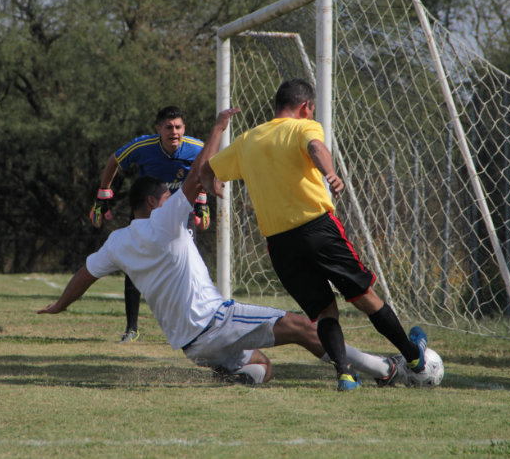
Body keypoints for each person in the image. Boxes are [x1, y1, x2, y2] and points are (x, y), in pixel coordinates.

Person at [41, 109, 403, 389]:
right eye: (169, 195)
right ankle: (384, 369)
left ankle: (232, 376)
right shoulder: (165, 219)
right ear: (154, 202)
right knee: (304, 327)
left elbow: (84, 275)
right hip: (215, 322)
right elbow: (198, 173)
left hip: (192, 348)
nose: (175, 198)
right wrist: (217, 128)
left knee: (261, 367)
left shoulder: (117, 241)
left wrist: (61, 305)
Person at [201, 78, 429, 390]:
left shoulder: (247, 140)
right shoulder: (302, 128)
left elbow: (208, 168)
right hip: (317, 229)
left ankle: (345, 375)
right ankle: (414, 357)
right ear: (306, 107)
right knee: (364, 297)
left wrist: (210, 187)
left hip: (280, 244)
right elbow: (315, 147)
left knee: (324, 312)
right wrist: (330, 172)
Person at [89, 105, 210, 343]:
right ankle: (131, 328)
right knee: (135, 264)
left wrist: (202, 202)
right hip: (147, 214)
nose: (173, 132)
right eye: (168, 127)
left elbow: (207, 169)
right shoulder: (143, 147)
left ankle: (194, 325)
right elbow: (114, 160)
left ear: (184, 128)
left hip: (178, 215)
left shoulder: (196, 148)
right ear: (159, 130)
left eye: (178, 127)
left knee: (186, 265)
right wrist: (103, 193)